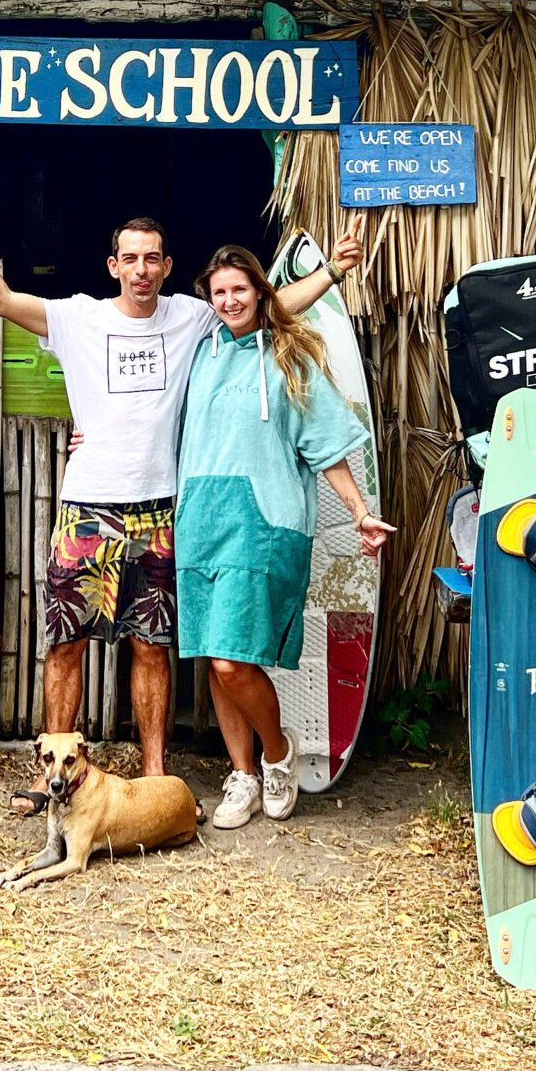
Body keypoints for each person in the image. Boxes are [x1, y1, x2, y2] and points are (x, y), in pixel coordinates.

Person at [0, 183, 362, 781]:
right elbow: (1, 298)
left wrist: (330, 274)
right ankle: (53, 774)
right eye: (130, 258)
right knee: (65, 643)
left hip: (161, 510)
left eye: (152, 259)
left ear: (167, 267)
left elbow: (268, 303)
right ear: (113, 265)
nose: (141, 270)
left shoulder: (192, 318)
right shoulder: (78, 318)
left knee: (151, 646)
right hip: (86, 506)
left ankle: (154, 776)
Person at [177, 243, 392, 828]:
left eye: (240, 290)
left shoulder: (289, 359)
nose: (229, 301)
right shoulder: (199, 354)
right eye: (219, 292)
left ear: (260, 293)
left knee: (229, 659)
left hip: (264, 522)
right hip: (201, 519)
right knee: (216, 653)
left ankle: (277, 756)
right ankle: (242, 775)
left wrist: (359, 510)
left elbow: (326, 444)